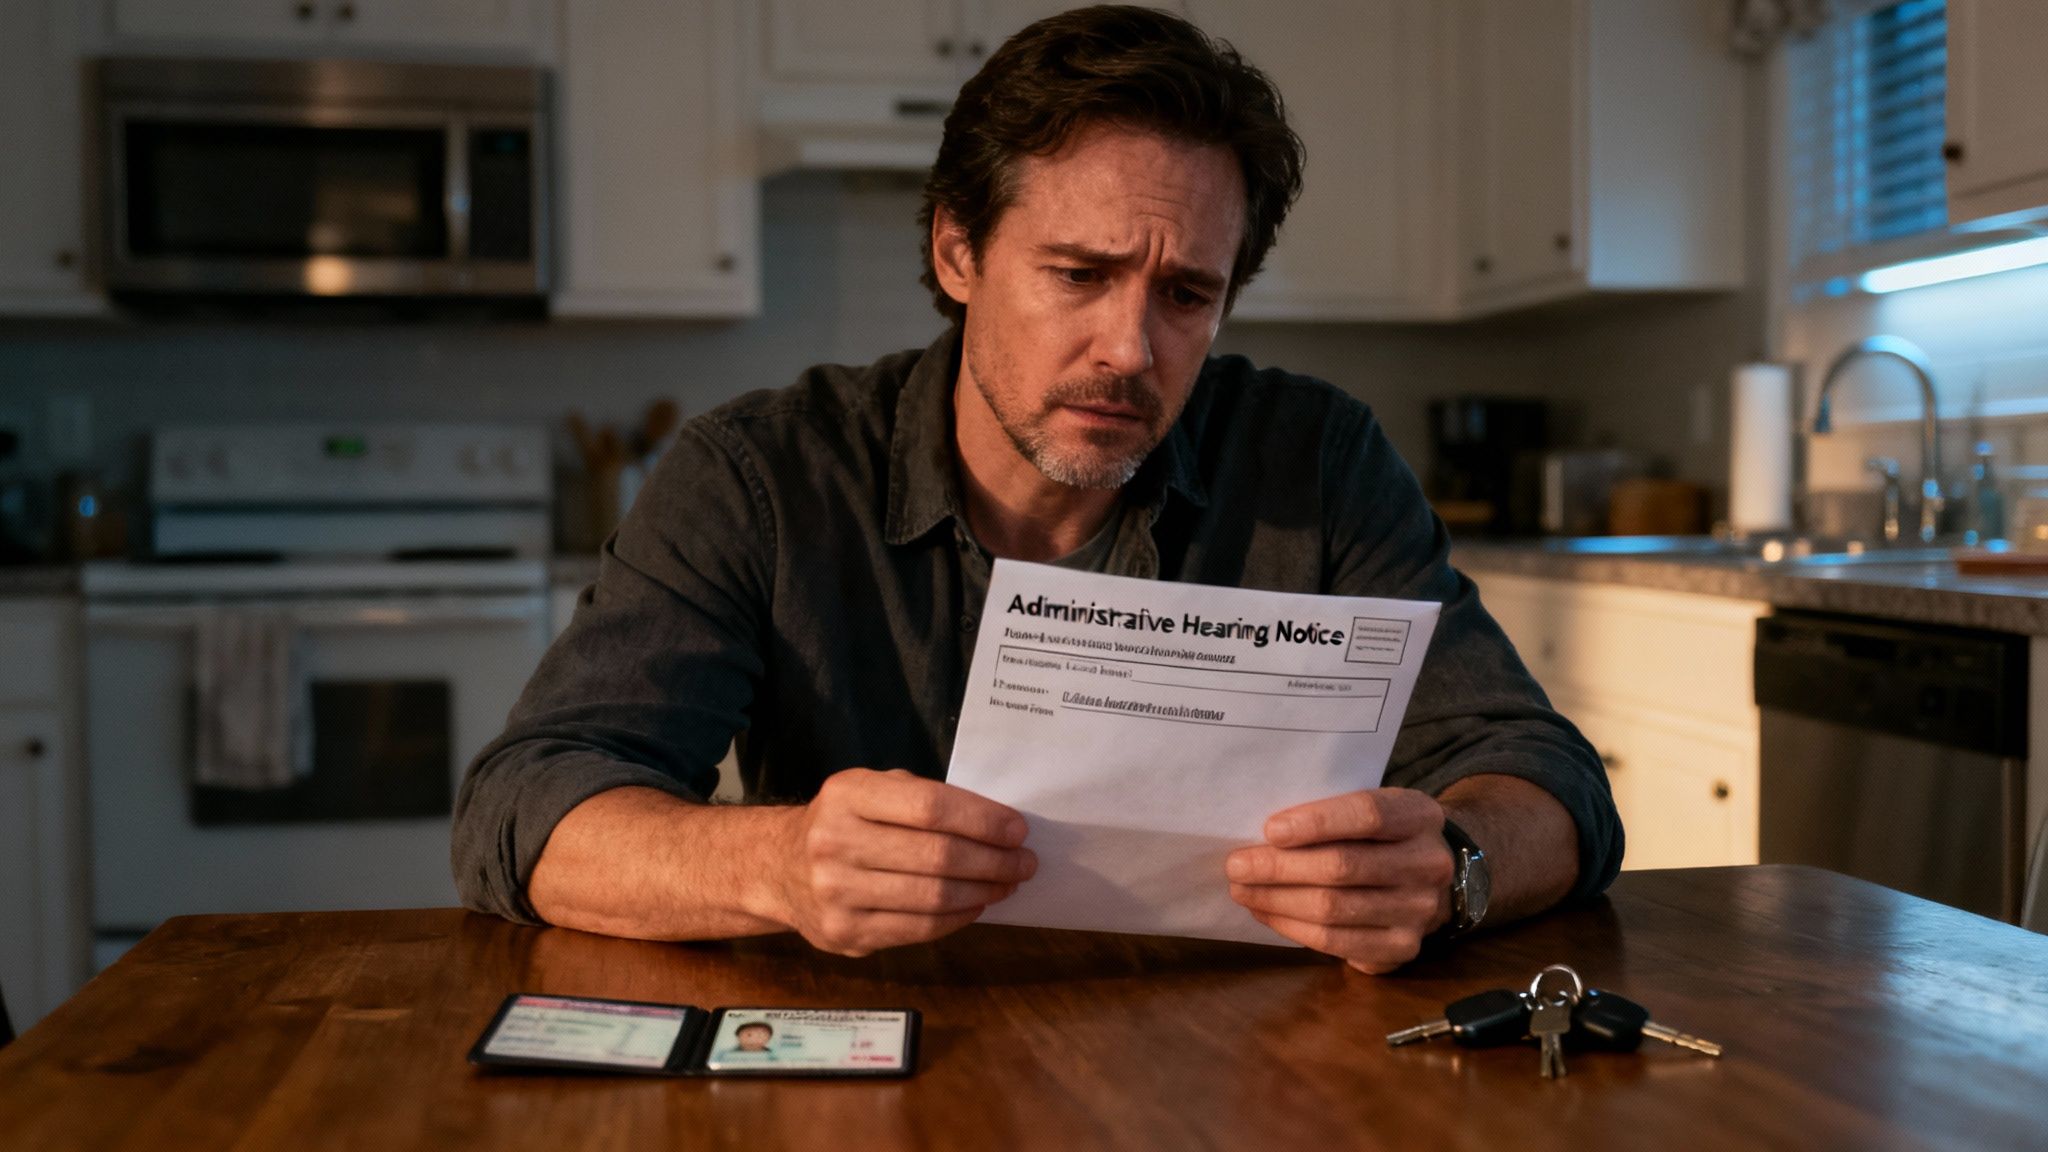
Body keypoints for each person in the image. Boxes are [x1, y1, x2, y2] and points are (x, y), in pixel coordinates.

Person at [452, 5, 1621, 974]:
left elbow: (1547, 779)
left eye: (1184, 296)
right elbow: (527, 806)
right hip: (874, 1056)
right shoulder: (759, 474)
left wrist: (1453, 865)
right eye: (1078, 273)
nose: (1130, 347)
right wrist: (776, 861)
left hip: (1241, 1065)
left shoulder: (1310, 462)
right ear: (958, 254)